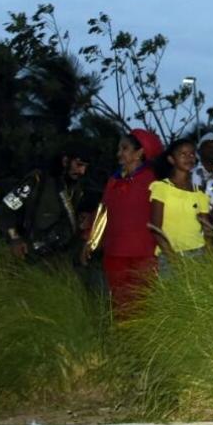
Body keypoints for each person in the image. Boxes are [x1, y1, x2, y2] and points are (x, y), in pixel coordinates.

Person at [84, 128, 164, 317]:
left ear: (140, 152)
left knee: (142, 304)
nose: (118, 153)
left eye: (124, 148)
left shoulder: (153, 181)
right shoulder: (114, 180)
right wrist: (91, 241)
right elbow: (103, 212)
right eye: (119, 148)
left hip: (144, 254)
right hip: (115, 253)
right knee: (119, 304)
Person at [0, 141, 92, 264]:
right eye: (79, 164)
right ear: (65, 161)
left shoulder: (77, 190)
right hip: (26, 256)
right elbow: (4, 212)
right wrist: (15, 238)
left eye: (85, 167)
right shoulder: (38, 181)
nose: (82, 171)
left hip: (56, 262)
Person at [150, 138, 212, 273]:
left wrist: (208, 253)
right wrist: (173, 258)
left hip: (198, 253)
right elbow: (155, 228)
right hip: (169, 255)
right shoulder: (161, 188)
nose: (189, 157)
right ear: (172, 159)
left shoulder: (199, 192)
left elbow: (207, 228)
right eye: (182, 154)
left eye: (191, 154)